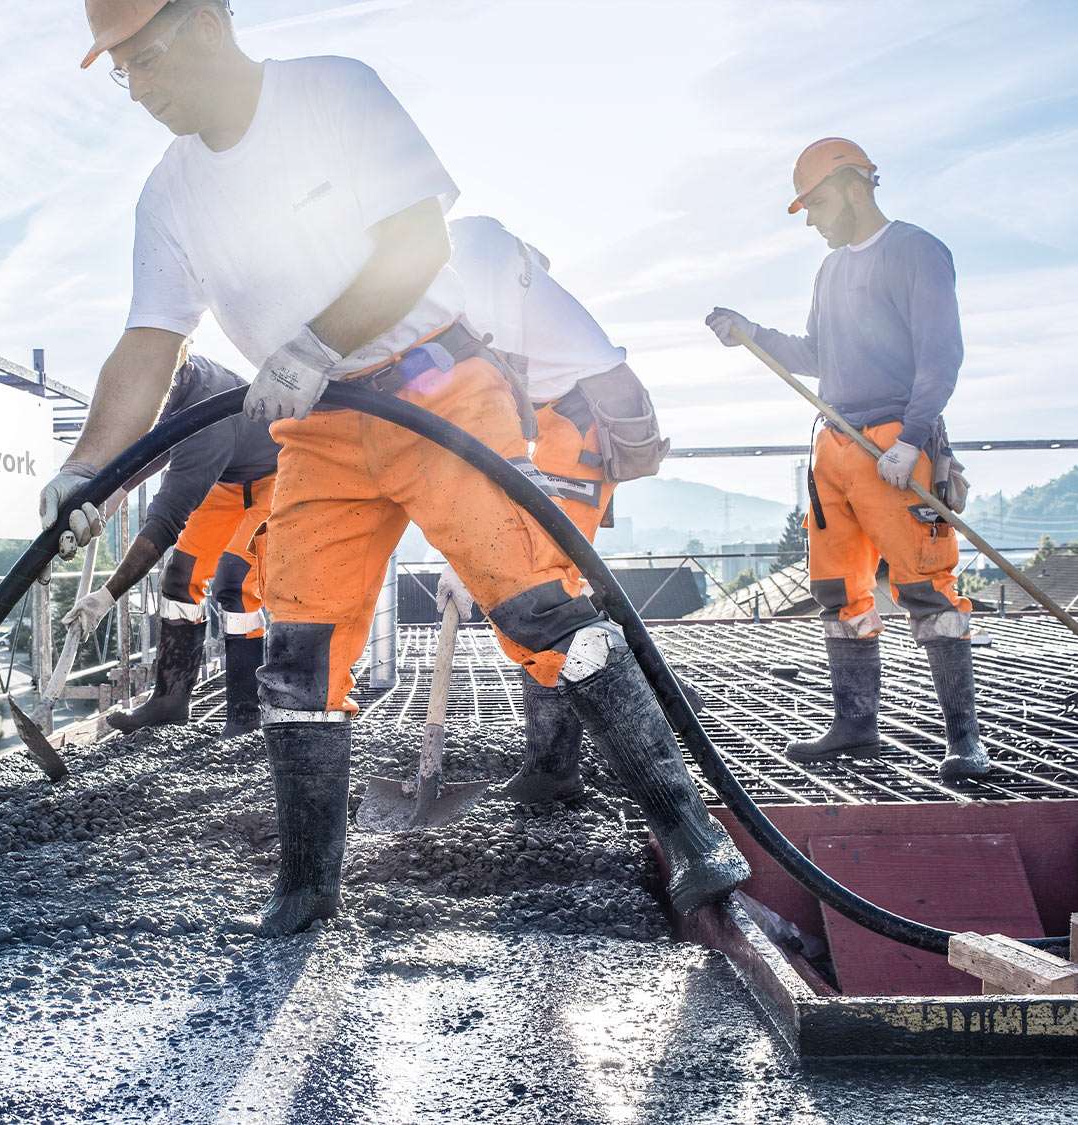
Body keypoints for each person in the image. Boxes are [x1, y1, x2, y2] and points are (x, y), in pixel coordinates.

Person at [40, 0, 747, 933]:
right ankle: (305, 888)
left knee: (538, 607)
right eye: (122, 72)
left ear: (209, 23)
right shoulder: (169, 195)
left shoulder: (332, 92)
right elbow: (149, 343)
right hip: (321, 428)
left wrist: (314, 341)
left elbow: (420, 240)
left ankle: (694, 832)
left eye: (149, 58)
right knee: (300, 653)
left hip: (436, 390)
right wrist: (89, 466)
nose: (140, 89)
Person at [705, 137, 988, 781]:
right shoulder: (830, 272)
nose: (812, 219)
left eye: (819, 202)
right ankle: (856, 726)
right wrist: (752, 333)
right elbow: (815, 354)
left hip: (892, 446)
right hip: (832, 445)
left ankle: (964, 740)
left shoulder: (916, 250)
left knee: (926, 588)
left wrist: (913, 438)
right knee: (839, 592)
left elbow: (941, 353)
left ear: (858, 186)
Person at [434, 215, 684, 803]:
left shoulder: (469, 247)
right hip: (547, 419)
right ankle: (648, 712)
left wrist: (469, 550)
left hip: (571, 417)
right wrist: (460, 545)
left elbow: (491, 402)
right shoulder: (459, 271)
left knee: (537, 582)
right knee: (540, 583)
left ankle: (556, 770)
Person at [64, 349, 277, 737]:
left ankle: (246, 715)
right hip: (228, 480)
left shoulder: (205, 419)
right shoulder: (167, 374)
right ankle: (170, 701)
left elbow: (164, 523)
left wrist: (107, 595)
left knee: (235, 583)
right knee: (180, 580)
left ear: (174, 380)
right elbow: (154, 447)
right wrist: (110, 494)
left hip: (273, 479)